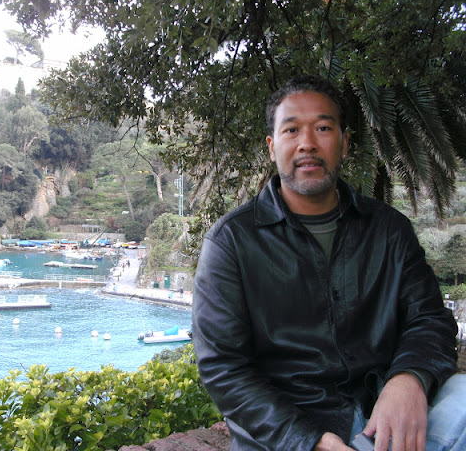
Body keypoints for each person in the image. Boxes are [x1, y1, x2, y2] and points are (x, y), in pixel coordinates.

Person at [192, 75, 465, 451]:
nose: (307, 143)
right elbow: (223, 367)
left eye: (322, 128)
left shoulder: (389, 230)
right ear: (272, 147)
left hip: (384, 417)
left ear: (345, 143)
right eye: (291, 130)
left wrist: (409, 378)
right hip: (289, 434)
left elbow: (430, 319)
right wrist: (307, 440)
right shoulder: (232, 242)